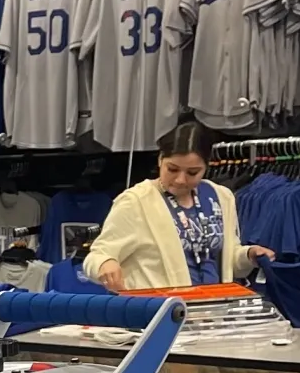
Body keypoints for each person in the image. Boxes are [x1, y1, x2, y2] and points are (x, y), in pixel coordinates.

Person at [85, 121, 274, 291]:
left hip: (213, 312)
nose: (180, 180)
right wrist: (106, 264)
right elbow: (97, 256)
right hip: (160, 313)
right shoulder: (136, 202)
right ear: (160, 160)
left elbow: (227, 261)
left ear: (207, 167)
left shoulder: (221, 197)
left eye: (193, 172)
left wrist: (248, 255)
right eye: (172, 169)